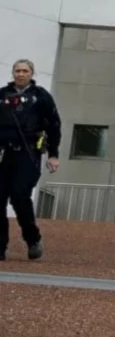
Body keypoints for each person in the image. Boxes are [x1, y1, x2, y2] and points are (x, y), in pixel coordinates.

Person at [1, 59, 60, 262]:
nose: (20, 74)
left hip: (28, 153)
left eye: (25, 71)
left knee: (19, 196)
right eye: (17, 70)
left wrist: (53, 154)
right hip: (4, 153)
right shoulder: (2, 95)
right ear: (12, 73)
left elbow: (54, 125)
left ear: (31, 73)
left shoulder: (41, 97)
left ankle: (33, 239)